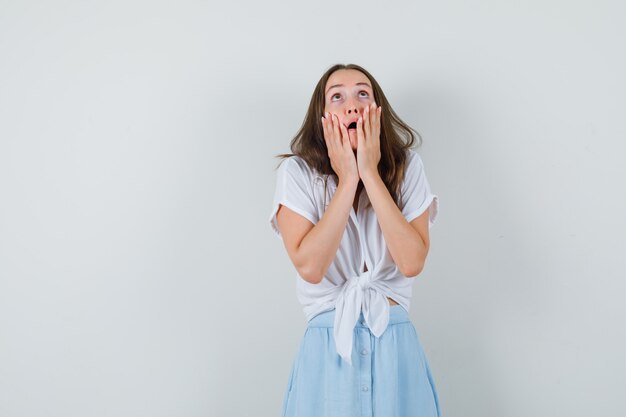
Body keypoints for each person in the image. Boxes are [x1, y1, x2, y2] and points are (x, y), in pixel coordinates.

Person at [269, 63, 441, 417]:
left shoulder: (408, 168)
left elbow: (411, 262)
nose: (352, 104)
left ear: (378, 110)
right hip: (328, 349)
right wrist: (347, 180)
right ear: (322, 116)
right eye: (337, 96)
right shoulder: (297, 174)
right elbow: (311, 266)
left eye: (363, 93)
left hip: (395, 345)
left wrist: (369, 173)